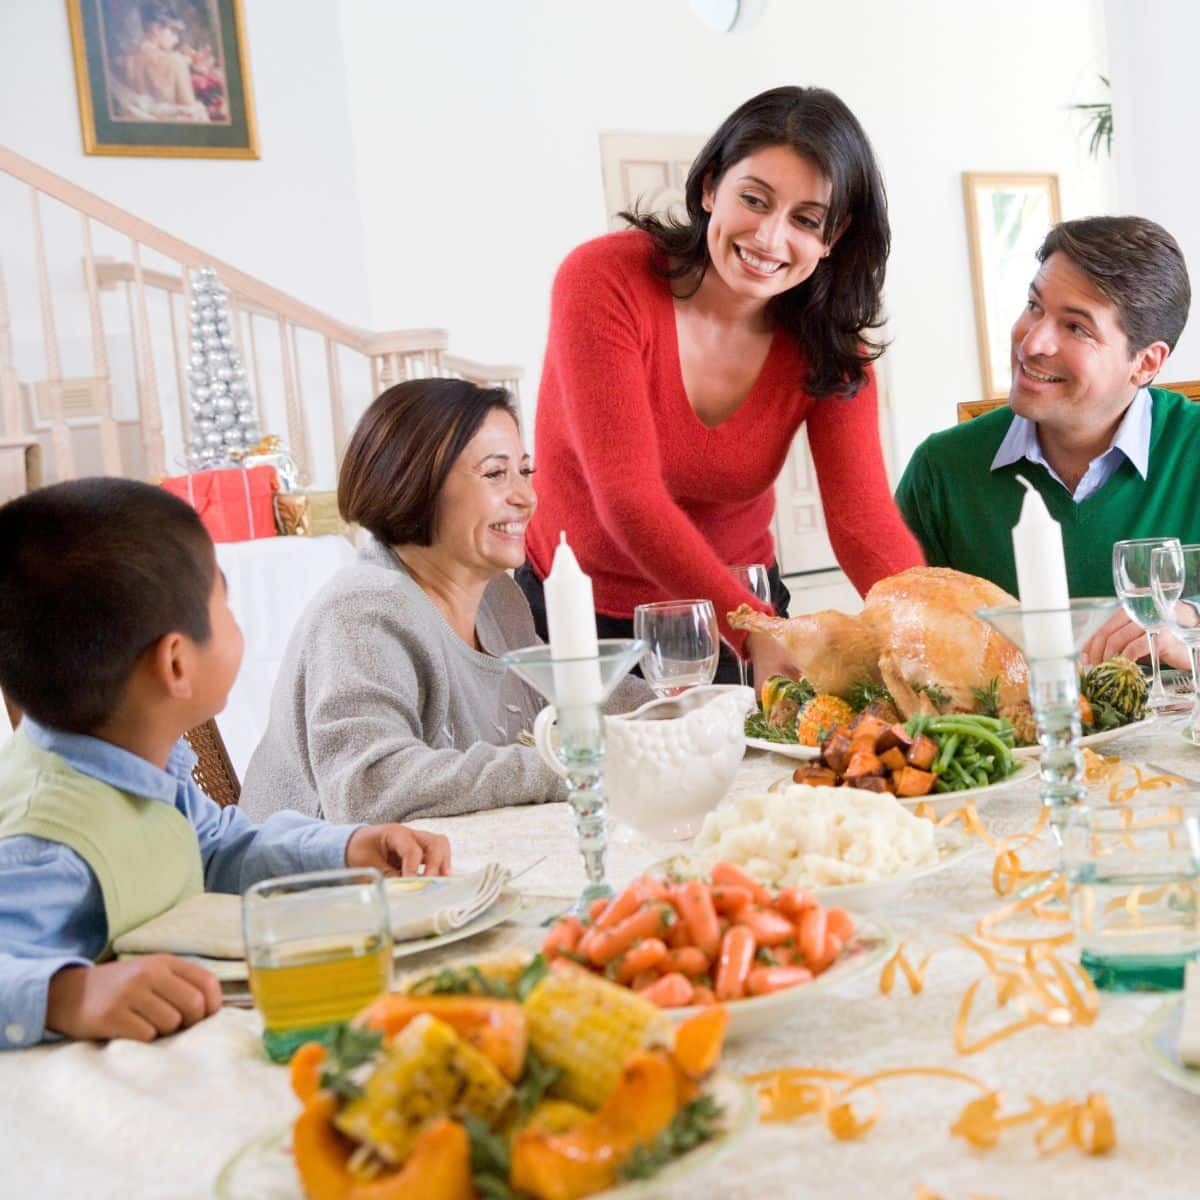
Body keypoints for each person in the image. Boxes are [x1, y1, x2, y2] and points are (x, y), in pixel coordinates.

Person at [0, 479, 449, 1049]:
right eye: (224, 605)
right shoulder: (46, 841)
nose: (237, 626)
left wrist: (344, 848)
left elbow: (218, 849)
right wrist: (69, 996)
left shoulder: (138, 764)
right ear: (176, 664)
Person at [516, 86, 924, 686]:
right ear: (710, 186)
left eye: (806, 221)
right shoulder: (604, 280)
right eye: (754, 200)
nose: (769, 238)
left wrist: (926, 629)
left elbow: (863, 521)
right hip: (586, 620)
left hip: (744, 609)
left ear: (832, 238)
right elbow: (627, 498)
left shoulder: (833, 343)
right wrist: (751, 626)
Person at [241, 379, 644, 826]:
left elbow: (583, 694)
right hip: (321, 888)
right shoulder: (365, 610)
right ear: (416, 482)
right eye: (495, 474)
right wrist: (573, 763)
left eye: (524, 472)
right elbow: (372, 788)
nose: (526, 497)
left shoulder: (497, 600)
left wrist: (691, 716)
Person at [895, 215, 1200, 668]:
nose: (1032, 342)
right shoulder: (940, 471)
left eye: (1076, 327)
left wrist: (1190, 626)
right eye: (1035, 306)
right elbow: (894, 640)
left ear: (1145, 362)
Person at [117, 3, 209, 122]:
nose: (176, 40)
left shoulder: (125, 60)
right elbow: (190, 111)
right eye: (173, 31)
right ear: (156, 29)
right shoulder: (175, 61)